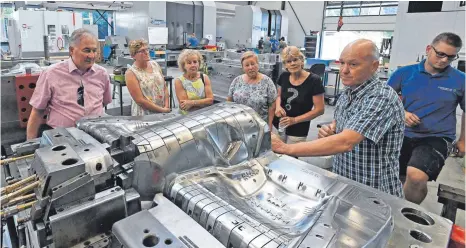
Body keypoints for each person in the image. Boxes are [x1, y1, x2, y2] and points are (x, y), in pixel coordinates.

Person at [272, 39, 405, 197]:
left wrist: (284, 148)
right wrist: (331, 132)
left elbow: (346, 142)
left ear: (374, 66)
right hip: (345, 184)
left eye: (353, 64)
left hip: (373, 192)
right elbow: (340, 130)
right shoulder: (346, 93)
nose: (344, 70)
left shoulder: (381, 97)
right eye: (342, 63)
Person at [387, 32, 465, 204]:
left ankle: (405, 215)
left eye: (451, 57)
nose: (444, 60)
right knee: (396, 177)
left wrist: (463, 140)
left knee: (415, 177)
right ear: (429, 49)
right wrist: (403, 113)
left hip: (436, 137)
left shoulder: (460, 80)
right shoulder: (404, 74)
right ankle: (394, 207)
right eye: (441, 54)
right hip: (401, 133)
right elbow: (384, 101)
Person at [27, 28, 112, 139]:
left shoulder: (102, 74)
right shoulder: (51, 74)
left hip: (96, 134)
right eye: (86, 50)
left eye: (94, 50)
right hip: (62, 137)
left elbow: (104, 102)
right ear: (71, 50)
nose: (92, 56)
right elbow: (37, 111)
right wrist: (30, 143)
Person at [273, 46, 325, 144]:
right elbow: (278, 95)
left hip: (299, 128)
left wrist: (294, 120)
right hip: (279, 123)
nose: (292, 63)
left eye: (295, 59)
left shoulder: (314, 80)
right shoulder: (283, 76)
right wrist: (278, 107)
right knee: (277, 153)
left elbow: (320, 110)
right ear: (285, 65)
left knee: (291, 156)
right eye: (288, 61)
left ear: (301, 60)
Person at [227, 51, 277, 129]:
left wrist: (269, 126)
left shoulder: (267, 82)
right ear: (243, 68)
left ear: (258, 64)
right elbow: (229, 103)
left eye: (253, 64)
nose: (250, 67)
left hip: (259, 127)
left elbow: (272, 106)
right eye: (247, 65)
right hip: (238, 125)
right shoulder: (237, 81)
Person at [125, 39, 170, 116]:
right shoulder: (131, 73)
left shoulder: (155, 65)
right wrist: (162, 110)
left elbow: (164, 87)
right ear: (133, 55)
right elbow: (140, 100)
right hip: (144, 115)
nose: (146, 52)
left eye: (147, 49)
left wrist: (166, 106)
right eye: (142, 51)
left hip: (162, 112)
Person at [175, 49, 214, 114]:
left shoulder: (204, 78)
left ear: (199, 63)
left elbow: (210, 100)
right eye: (189, 63)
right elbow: (184, 105)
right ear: (183, 66)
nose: (193, 65)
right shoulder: (179, 81)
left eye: (195, 62)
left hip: (204, 115)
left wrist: (192, 103)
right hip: (187, 117)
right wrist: (203, 102)